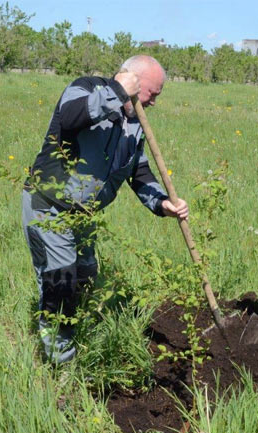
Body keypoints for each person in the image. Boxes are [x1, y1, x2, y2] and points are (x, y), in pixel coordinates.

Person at [22, 55, 188, 365]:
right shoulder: (87, 89)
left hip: (84, 214)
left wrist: (162, 202)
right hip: (50, 207)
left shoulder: (135, 122)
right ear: (132, 82)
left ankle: (79, 332)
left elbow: (138, 172)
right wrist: (115, 90)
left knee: (85, 274)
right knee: (61, 282)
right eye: (152, 93)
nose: (153, 102)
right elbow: (70, 117)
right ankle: (61, 367)